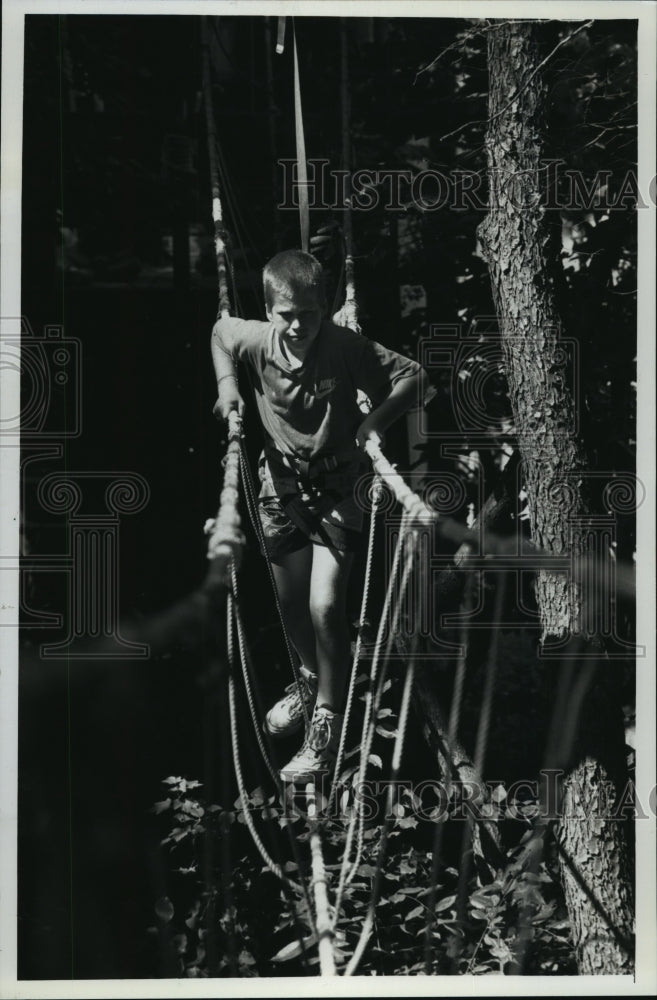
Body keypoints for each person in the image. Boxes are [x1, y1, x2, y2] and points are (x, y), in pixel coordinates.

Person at [211, 249, 427, 781]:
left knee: (325, 605)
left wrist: (372, 422)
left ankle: (328, 719)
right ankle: (310, 682)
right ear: (268, 311)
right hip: (279, 487)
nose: (298, 325)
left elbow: (416, 378)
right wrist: (228, 387)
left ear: (326, 307)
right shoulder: (256, 340)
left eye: (310, 312)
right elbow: (220, 332)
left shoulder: (344, 346)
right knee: (290, 608)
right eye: (286, 314)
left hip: (340, 489)